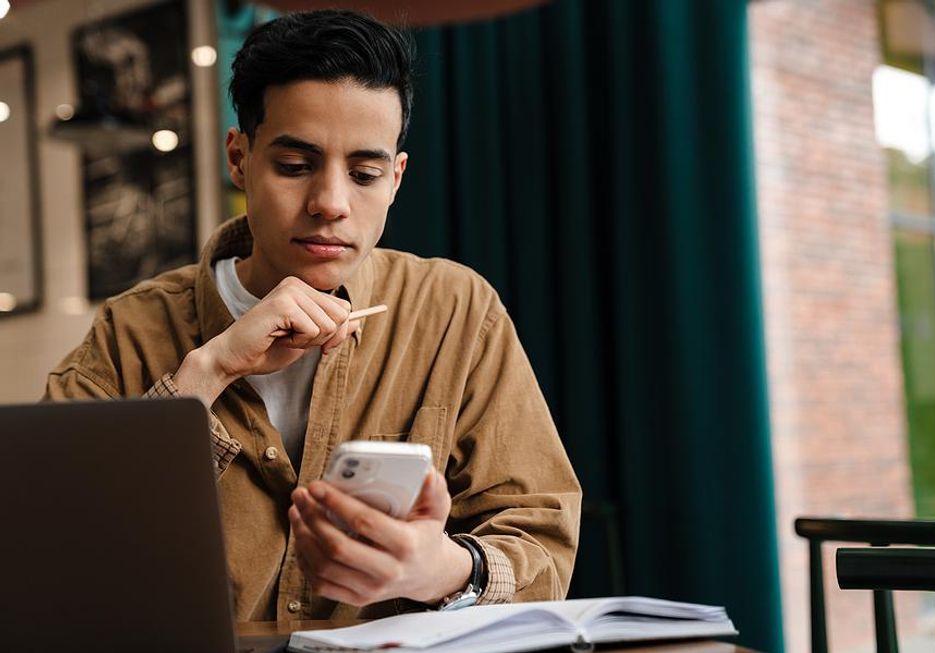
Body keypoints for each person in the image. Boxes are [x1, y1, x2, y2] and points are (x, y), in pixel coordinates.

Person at [45, 9, 581, 622]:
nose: (330, 203)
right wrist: (209, 370)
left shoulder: (456, 312)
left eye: (365, 174)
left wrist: (441, 570)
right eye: (295, 167)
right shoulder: (129, 332)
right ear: (239, 159)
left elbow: (543, 541)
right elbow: (54, 549)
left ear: (397, 179)